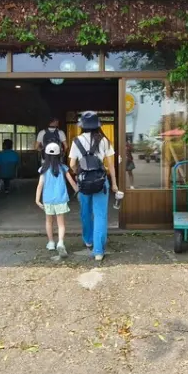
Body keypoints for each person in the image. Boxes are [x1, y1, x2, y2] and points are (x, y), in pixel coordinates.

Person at [69, 111, 118, 261]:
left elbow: (72, 164)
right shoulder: (104, 141)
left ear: (82, 126)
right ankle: (98, 251)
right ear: (97, 125)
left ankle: (88, 240)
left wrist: (78, 173)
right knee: (100, 215)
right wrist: (114, 184)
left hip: (83, 181)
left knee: (85, 212)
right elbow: (111, 165)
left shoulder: (76, 141)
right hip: (101, 182)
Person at [35, 142, 78, 258]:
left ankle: (51, 243)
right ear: (59, 155)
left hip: (48, 200)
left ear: (45, 155)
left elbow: (40, 185)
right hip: (61, 199)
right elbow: (72, 182)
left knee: (49, 222)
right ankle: (60, 242)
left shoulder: (43, 169)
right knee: (61, 224)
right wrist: (78, 191)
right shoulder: (63, 168)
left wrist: (37, 200)